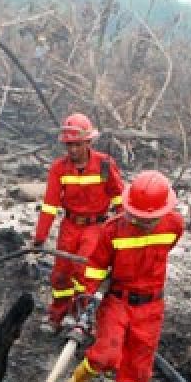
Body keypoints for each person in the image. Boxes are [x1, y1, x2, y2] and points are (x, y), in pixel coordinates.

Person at [55, 171, 185, 382]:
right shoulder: (113, 230)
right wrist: (86, 296)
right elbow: (95, 268)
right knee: (105, 355)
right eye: (138, 215)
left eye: (150, 218)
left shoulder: (175, 225)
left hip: (151, 307)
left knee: (138, 370)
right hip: (117, 301)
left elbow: (165, 248)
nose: (143, 222)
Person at [31, 113, 124, 331]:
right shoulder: (59, 168)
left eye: (77, 144)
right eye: (68, 145)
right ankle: (57, 315)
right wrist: (40, 237)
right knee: (61, 273)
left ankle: (79, 315)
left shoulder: (104, 165)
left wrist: (124, 234)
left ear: (89, 142)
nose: (72, 150)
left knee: (85, 271)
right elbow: (50, 205)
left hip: (96, 226)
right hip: (70, 226)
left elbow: (120, 199)